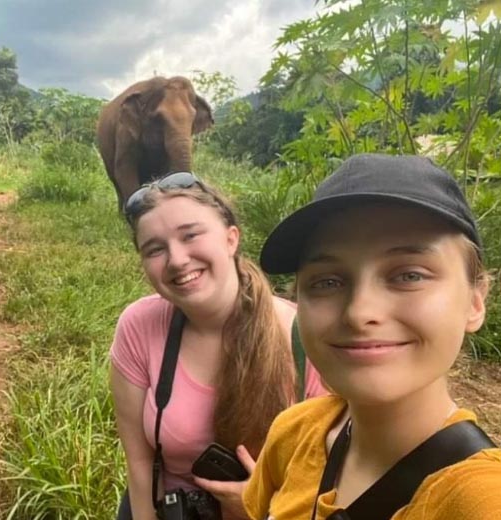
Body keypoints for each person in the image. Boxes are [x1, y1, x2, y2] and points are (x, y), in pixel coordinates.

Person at [242, 153, 501, 520]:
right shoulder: (295, 433)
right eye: (327, 281)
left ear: (475, 301)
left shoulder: (481, 502)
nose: (360, 312)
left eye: (409, 275)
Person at [110, 172, 328, 520]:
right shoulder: (139, 326)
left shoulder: (307, 339)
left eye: (191, 235)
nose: (177, 260)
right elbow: (138, 462)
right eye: (155, 249)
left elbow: (328, 479)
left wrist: (264, 506)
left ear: (231, 238)